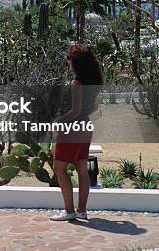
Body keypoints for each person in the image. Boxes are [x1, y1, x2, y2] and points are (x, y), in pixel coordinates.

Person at [50, 44, 103, 221]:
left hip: (72, 129)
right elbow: (94, 107)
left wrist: (57, 122)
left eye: (70, 59)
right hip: (85, 127)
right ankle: (81, 210)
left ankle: (69, 211)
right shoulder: (91, 84)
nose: (68, 62)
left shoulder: (77, 83)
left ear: (76, 63)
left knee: (59, 168)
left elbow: (74, 110)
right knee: (82, 169)